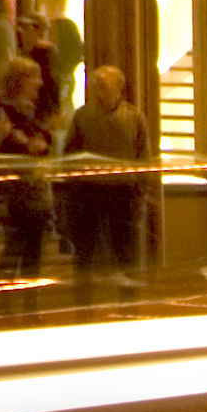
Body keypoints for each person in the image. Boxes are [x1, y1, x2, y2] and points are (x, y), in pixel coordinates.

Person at [61, 62, 148, 287]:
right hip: (90, 190)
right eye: (97, 84)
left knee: (124, 247)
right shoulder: (83, 115)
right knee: (85, 248)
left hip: (122, 190)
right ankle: (83, 298)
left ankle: (128, 298)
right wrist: (73, 187)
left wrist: (141, 191)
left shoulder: (133, 117)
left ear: (119, 86)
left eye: (104, 84)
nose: (99, 88)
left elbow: (143, 156)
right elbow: (70, 152)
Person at [0, 57, 57, 286]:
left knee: (34, 249)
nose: (38, 84)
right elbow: (11, 144)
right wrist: (29, 144)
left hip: (35, 190)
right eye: (33, 79)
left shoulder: (29, 113)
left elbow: (41, 145)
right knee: (15, 246)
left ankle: (29, 299)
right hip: (15, 189)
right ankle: (4, 297)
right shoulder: (3, 111)